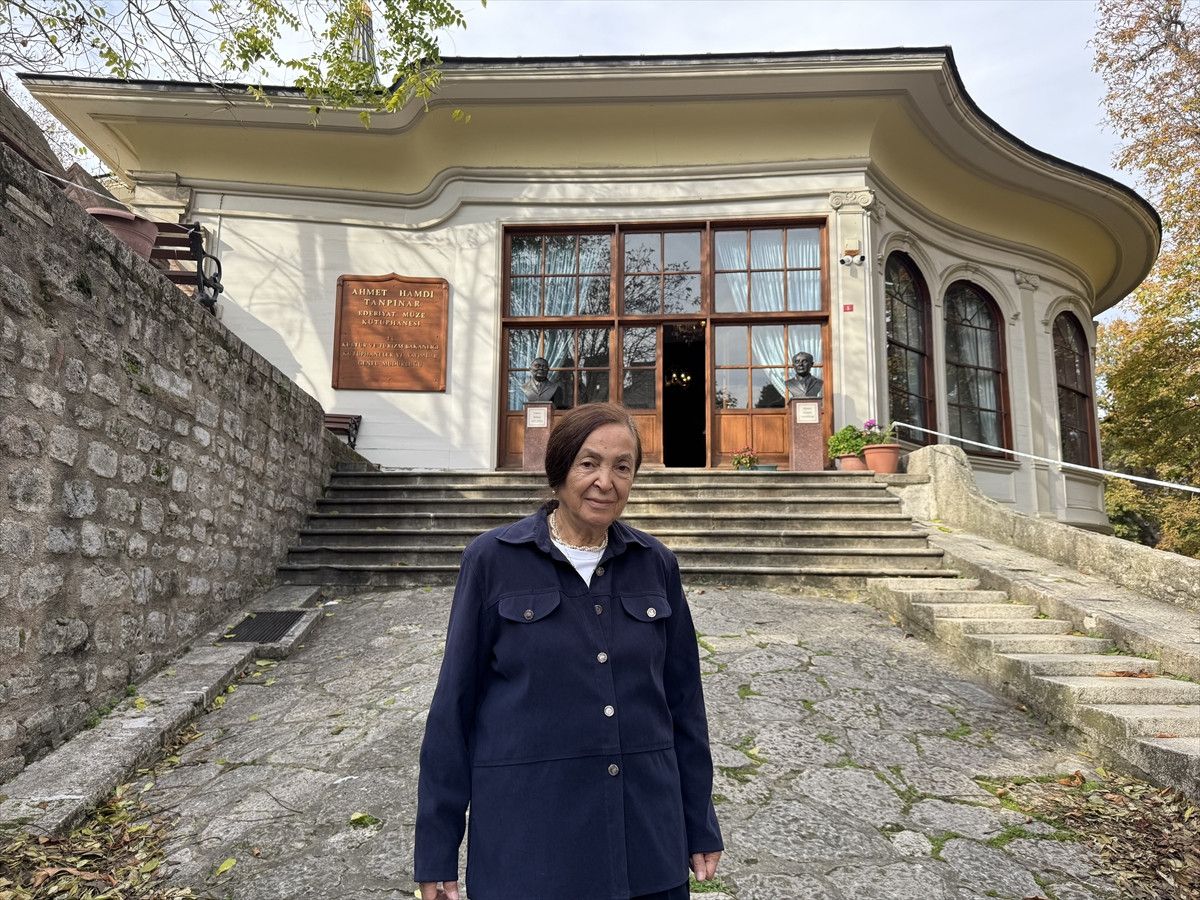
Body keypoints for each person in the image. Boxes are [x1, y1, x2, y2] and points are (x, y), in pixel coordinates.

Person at [414, 402, 723, 900]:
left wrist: (699, 822)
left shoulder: (656, 564)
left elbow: (684, 704)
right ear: (559, 470)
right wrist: (437, 847)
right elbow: (454, 709)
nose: (606, 481)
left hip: (645, 842)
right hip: (530, 849)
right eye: (589, 463)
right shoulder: (491, 561)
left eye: (622, 467)